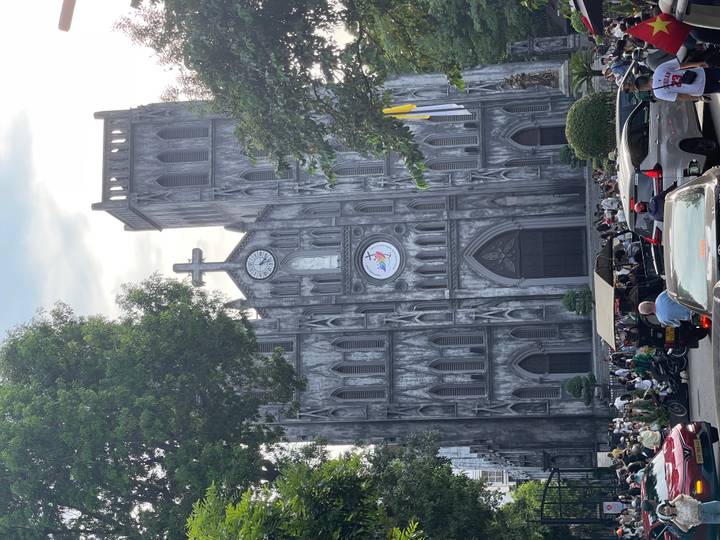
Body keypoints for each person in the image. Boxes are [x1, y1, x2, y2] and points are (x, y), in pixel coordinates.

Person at [634, 58, 720, 102]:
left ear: (644, 88)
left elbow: (680, 97)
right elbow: (680, 65)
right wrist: (697, 63)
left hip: (700, 88)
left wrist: (699, 98)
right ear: (645, 76)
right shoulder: (659, 69)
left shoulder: (659, 93)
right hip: (700, 73)